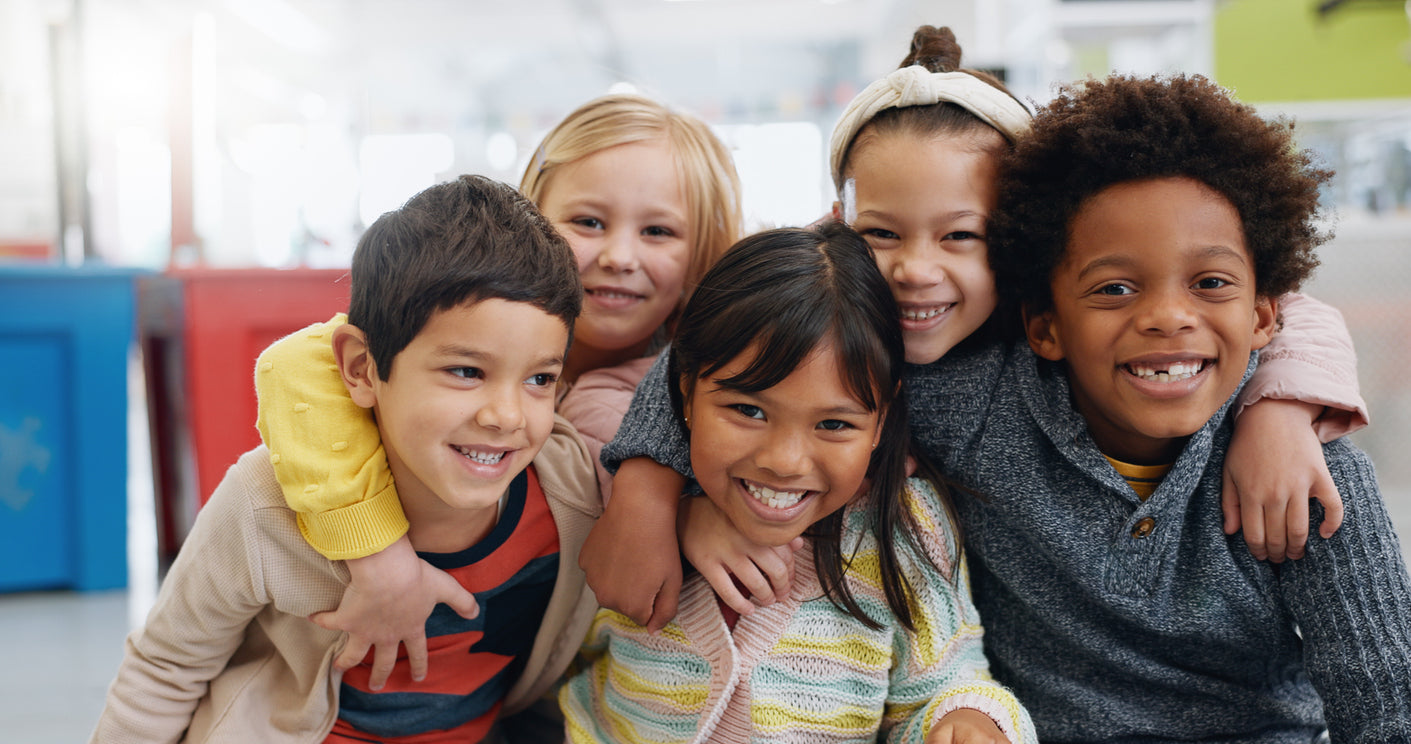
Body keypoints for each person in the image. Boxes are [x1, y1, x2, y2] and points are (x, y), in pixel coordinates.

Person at [608, 72, 1411, 740]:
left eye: (1207, 285)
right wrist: (654, 488)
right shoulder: (968, 395)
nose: (1166, 317)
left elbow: (1384, 701)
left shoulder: (1304, 471)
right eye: (1114, 288)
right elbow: (744, 349)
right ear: (1044, 320)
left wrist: (1276, 407)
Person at [251, 92, 744, 690]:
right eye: (588, 222)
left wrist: (679, 510)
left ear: (705, 251)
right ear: (533, 221)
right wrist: (376, 554)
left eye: (659, 231)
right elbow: (297, 363)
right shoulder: (451, 326)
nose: (618, 256)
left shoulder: (700, 382)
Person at [89, 175, 601, 743]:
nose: (506, 415)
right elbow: (166, 669)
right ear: (361, 369)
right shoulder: (264, 504)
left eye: (539, 379)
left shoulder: (572, 494)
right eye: (466, 371)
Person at [560, 222, 1036, 744]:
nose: (784, 462)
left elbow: (946, 684)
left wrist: (965, 722)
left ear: (881, 421)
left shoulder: (908, 529)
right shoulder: (632, 512)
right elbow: (567, 656)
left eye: (834, 424)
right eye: (747, 409)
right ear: (686, 392)